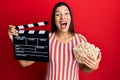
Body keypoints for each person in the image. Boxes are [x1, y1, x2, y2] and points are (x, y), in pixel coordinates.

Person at [8, 2, 102, 80]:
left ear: (70, 17)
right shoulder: (47, 39)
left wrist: (93, 66)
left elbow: (83, 68)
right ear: (54, 19)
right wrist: (14, 40)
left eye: (66, 13)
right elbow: (24, 63)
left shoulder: (80, 40)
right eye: (58, 14)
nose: (62, 17)